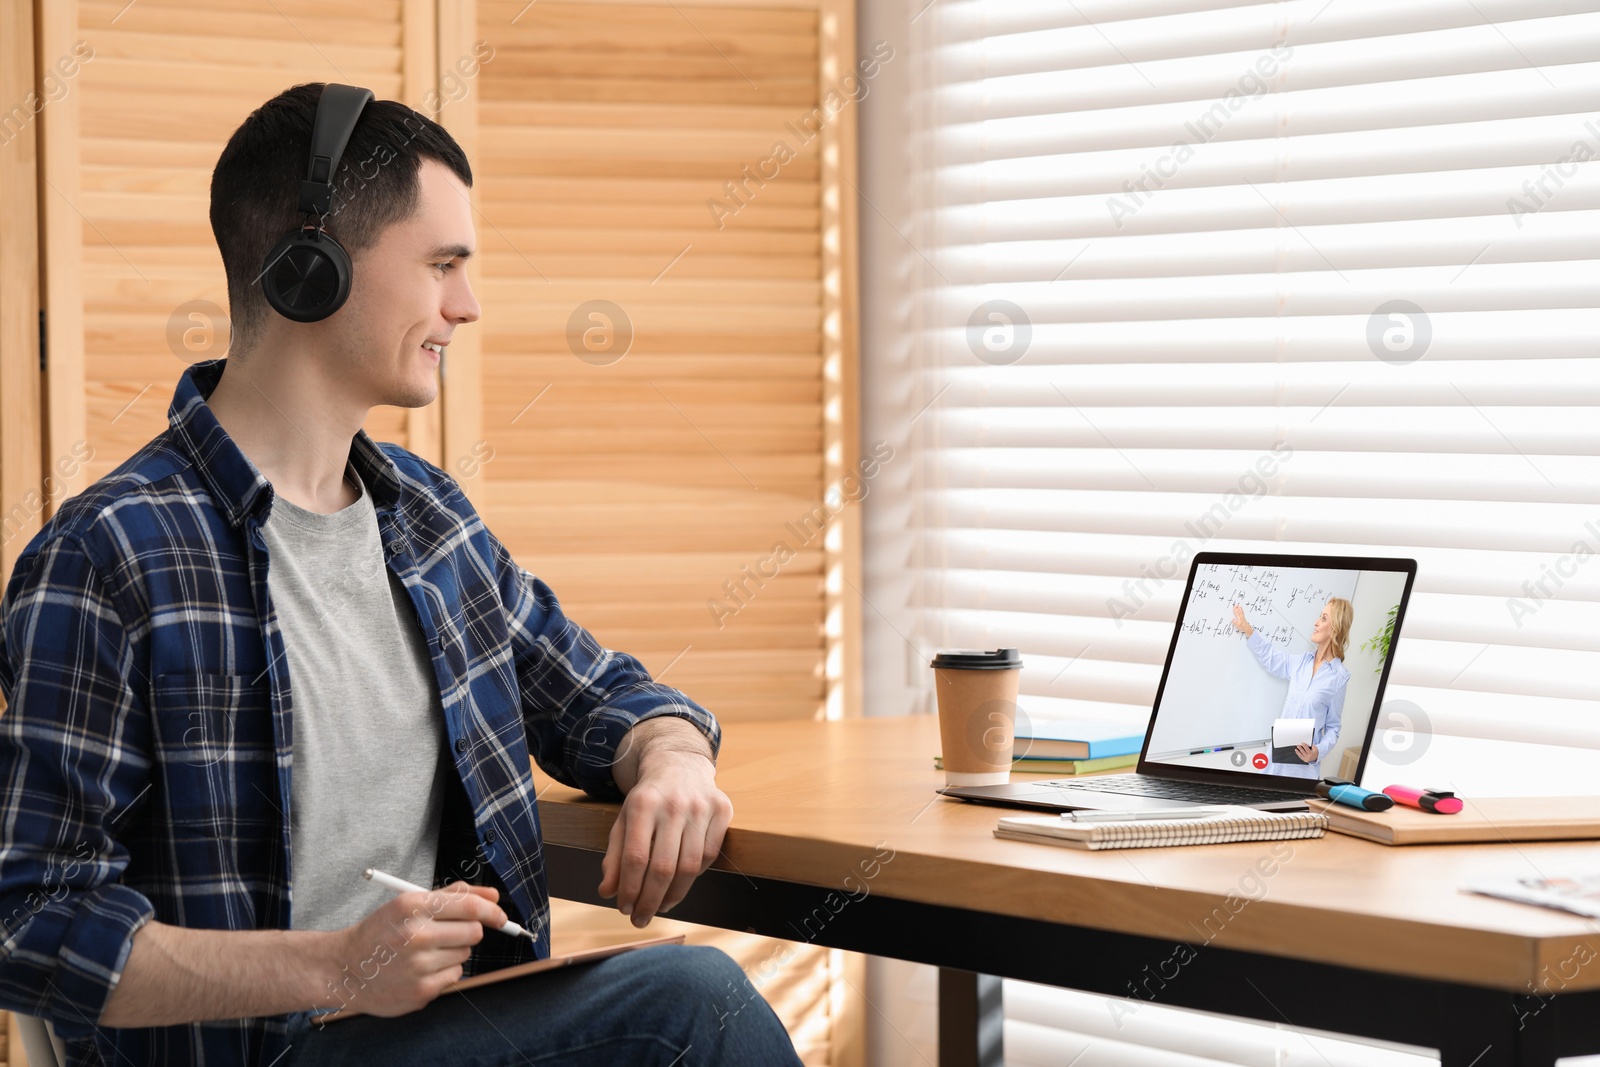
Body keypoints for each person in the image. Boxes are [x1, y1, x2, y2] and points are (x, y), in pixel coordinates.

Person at [0, 83, 802, 1067]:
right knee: (691, 1003)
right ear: (310, 271)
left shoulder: (427, 522)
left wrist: (673, 759)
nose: (465, 305)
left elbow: (606, 694)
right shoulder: (108, 554)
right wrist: (333, 967)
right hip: (260, 1055)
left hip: (440, 1038)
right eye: (442, 264)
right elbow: (27, 921)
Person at [1230, 599, 1352, 779]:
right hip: (1274, 761)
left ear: (1335, 628)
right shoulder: (1301, 663)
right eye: (1319, 616)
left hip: (1301, 771)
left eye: (1323, 618)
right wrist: (1247, 629)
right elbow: (1272, 659)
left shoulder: (1338, 677)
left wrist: (1317, 752)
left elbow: (1333, 727)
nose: (1316, 622)